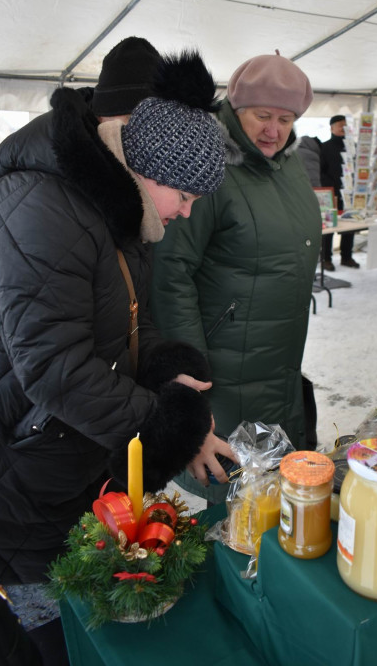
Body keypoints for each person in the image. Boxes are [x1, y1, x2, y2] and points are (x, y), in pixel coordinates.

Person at [0, 44, 233, 664]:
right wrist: (166, 425)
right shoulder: (39, 204)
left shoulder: (117, 207)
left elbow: (121, 328)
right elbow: (55, 369)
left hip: (72, 463)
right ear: (146, 166)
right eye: (185, 195)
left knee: (90, 624)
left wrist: (168, 373)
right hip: (20, 477)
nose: (186, 212)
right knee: (54, 637)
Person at [149, 51, 322, 502]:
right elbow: (170, 272)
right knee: (233, 500)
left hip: (279, 360)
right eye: (262, 116)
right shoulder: (211, 164)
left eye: (285, 119)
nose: (273, 130)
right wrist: (187, 375)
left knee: (272, 497)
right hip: (221, 372)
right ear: (235, 108)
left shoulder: (288, 165)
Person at [297, 114, 359, 270]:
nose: (343, 128)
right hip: (331, 193)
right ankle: (326, 258)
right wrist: (329, 187)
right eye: (340, 125)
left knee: (350, 224)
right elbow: (319, 171)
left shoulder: (353, 147)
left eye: (346, 125)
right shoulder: (324, 147)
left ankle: (347, 256)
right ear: (332, 128)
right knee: (329, 226)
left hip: (349, 193)